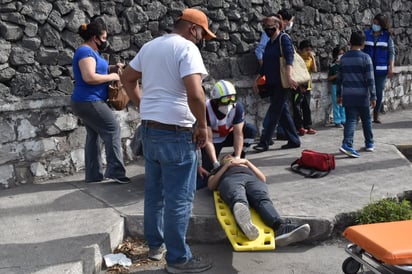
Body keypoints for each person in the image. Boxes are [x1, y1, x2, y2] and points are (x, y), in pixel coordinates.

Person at [120, 8, 215, 274]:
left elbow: (126, 78)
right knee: (179, 198)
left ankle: (155, 247)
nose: (200, 41)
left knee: (155, 194)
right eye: (201, 35)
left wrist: (145, 106)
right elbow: (195, 95)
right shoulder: (186, 48)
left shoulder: (150, 47)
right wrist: (203, 125)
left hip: (150, 131)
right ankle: (178, 259)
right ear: (192, 29)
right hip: (176, 133)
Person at [70, 19, 130, 184]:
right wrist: (112, 76)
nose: (105, 41)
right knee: (113, 129)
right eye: (103, 38)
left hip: (86, 101)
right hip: (89, 100)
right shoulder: (85, 52)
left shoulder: (92, 52)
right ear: (94, 37)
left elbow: (97, 69)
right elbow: (89, 77)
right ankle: (116, 172)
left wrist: (112, 68)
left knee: (94, 135)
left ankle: (93, 174)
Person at [207, 154, 311, 246]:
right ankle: (245, 226)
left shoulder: (246, 166)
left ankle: (280, 227)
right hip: (230, 179)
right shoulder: (219, 169)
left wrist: (247, 162)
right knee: (238, 198)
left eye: (231, 156)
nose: (229, 156)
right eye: (225, 157)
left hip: (252, 179)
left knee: (262, 199)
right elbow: (211, 185)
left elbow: (263, 179)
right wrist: (226, 166)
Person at [252, 15, 301, 152]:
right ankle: (294, 139)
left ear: (278, 26)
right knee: (282, 111)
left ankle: (264, 142)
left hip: (282, 81)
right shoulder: (270, 43)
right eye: (265, 27)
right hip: (272, 82)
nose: (267, 29)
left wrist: (290, 76)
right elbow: (265, 64)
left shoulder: (283, 39)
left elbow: (289, 58)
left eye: (270, 27)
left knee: (274, 111)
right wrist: (257, 79)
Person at [201, 80, 257, 173]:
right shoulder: (206, 109)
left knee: (250, 130)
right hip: (213, 141)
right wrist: (215, 163)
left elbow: (238, 135)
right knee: (208, 171)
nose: (229, 103)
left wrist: (237, 157)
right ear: (216, 100)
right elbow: (208, 140)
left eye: (232, 98)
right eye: (225, 100)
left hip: (228, 136)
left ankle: (239, 158)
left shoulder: (237, 107)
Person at [337, 30, 376, 158]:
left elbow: (339, 79)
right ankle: (369, 143)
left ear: (349, 42)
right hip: (363, 95)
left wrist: (339, 95)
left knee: (351, 120)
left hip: (348, 95)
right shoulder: (366, 58)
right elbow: (370, 79)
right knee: (366, 120)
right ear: (363, 44)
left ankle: (347, 144)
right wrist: (373, 96)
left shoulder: (343, 59)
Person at [363, 13, 395, 124]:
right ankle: (360, 114)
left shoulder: (387, 36)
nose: (374, 25)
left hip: (381, 70)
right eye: (374, 23)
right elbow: (361, 50)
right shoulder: (366, 34)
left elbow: (391, 53)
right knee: (364, 92)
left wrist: (391, 67)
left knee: (378, 93)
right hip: (367, 69)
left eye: (377, 23)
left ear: (382, 24)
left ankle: (376, 114)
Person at [292, 39, 317, 136]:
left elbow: (314, 70)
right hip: (297, 86)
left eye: (310, 50)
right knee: (297, 107)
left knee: (306, 106)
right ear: (301, 50)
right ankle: (299, 126)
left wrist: (313, 59)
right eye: (306, 50)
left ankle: (308, 125)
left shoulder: (309, 59)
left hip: (307, 86)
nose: (308, 52)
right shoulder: (297, 59)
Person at [328, 46, 346, 128]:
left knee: (343, 104)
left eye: (342, 54)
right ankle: (337, 121)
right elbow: (329, 78)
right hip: (335, 86)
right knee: (336, 104)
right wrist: (336, 75)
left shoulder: (345, 65)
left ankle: (344, 119)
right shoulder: (333, 66)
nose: (341, 56)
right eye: (339, 54)